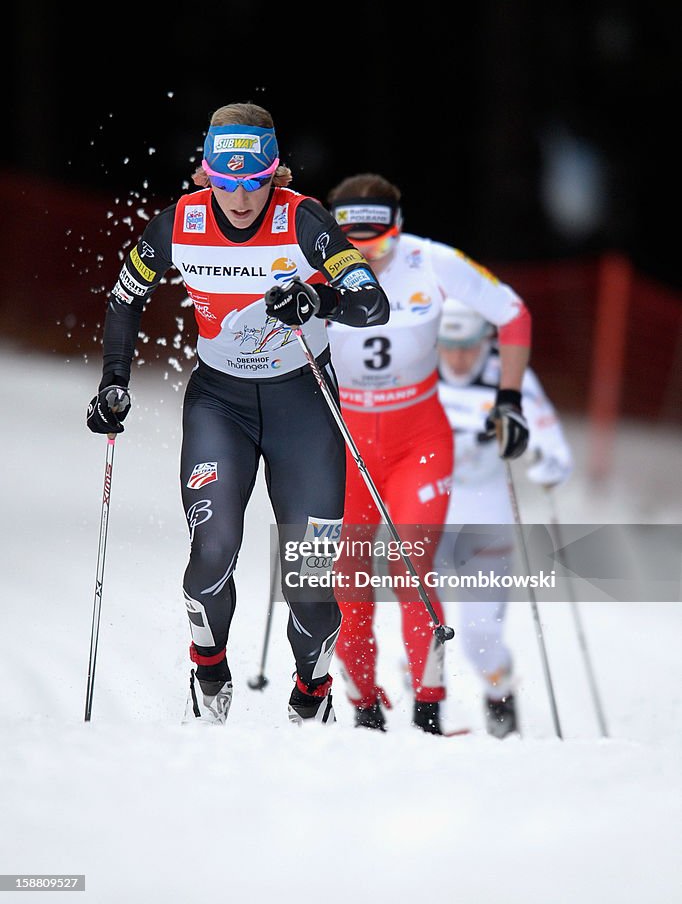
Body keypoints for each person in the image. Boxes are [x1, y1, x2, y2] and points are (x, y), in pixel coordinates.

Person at [86, 103, 389, 727]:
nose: (240, 197)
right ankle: (209, 665)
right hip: (219, 404)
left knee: (308, 579)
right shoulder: (178, 224)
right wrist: (114, 383)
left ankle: (311, 689)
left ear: (272, 176)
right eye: (227, 182)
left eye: (253, 182)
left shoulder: (304, 219)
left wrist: (316, 297)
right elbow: (126, 297)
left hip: (303, 402)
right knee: (211, 553)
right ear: (207, 174)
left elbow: (372, 302)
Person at [324, 173, 532, 734]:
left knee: (413, 567)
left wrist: (508, 399)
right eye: (352, 245)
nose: (366, 256)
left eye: (380, 242)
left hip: (418, 438)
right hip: (343, 444)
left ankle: (427, 709)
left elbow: (512, 313)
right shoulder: (310, 258)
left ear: (399, 229)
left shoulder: (432, 261)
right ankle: (364, 705)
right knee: (345, 581)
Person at [435, 297, 574, 737]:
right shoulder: (414, 367)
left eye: (469, 346)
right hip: (425, 514)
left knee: (478, 639)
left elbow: (555, 455)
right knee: (421, 633)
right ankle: (426, 725)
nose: (458, 357)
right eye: (447, 345)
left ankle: (500, 696)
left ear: (488, 341)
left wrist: (537, 454)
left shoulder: (510, 378)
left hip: (484, 515)